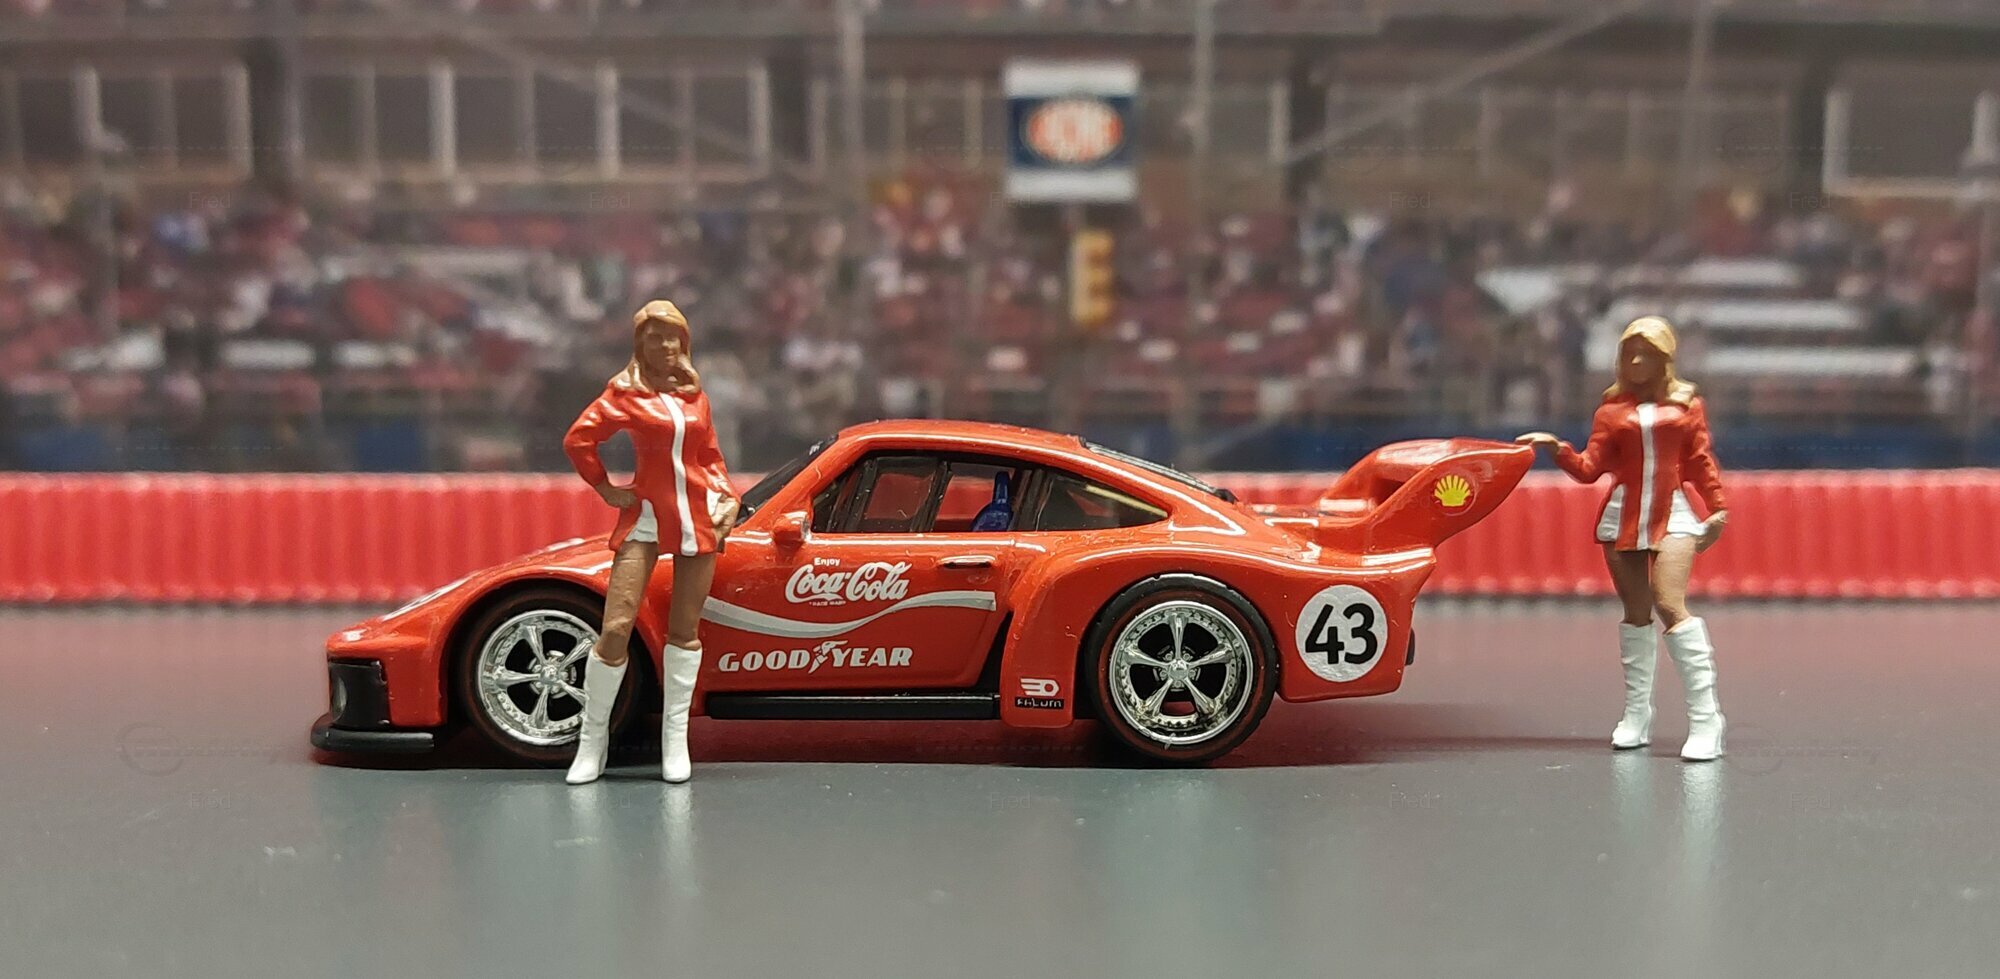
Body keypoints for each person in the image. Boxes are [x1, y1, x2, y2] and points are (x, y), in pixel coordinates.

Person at [1516, 315, 1731, 761]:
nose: (1636, 362)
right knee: (1635, 614)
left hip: (1673, 514)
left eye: (1646, 354)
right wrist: (1559, 451)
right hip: (1624, 517)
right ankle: (1637, 713)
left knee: (1669, 602)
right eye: (1629, 353)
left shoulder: (1687, 404)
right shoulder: (1611, 411)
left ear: (1664, 358)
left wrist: (1718, 507)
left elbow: (1699, 460)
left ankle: (1706, 718)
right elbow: (1590, 468)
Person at [561, 300, 741, 784]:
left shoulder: (694, 396)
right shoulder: (625, 393)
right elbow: (579, 440)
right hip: (645, 516)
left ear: (685, 341)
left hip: (697, 517)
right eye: (655, 336)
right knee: (616, 626)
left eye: (672, 336)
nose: (665, 345)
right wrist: (605, 488)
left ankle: (674, 740)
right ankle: (592, 741)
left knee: (684, 630)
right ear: (640, 342)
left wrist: (727, 497)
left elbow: (710, 456)